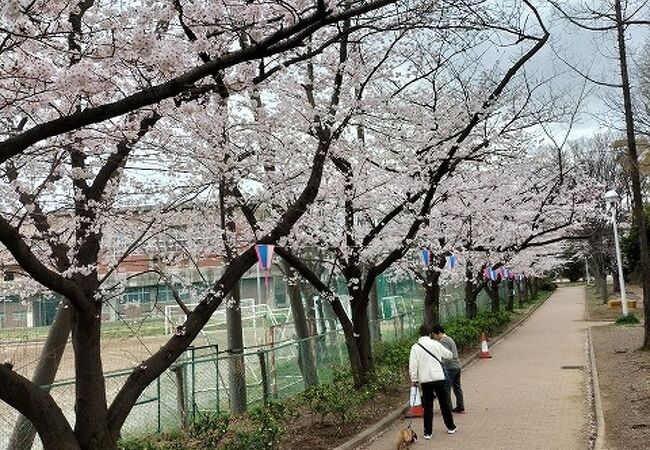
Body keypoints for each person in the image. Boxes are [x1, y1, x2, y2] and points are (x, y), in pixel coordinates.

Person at [409, 324, 457, 439]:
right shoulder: (436, 344)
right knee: (444, 403)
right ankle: (450, 427)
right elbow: (449, 355)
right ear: (430, 334)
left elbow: (413, 365)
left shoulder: (415, 347)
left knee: (428, 406)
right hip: (438, 378)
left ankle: (427, 432)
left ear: (419, 334)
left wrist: (414, 379)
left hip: (425, 380)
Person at [432, 324, 465, 414]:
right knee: (457, 387)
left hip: (450, 367)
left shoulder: (444, 341)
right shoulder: (450, 339)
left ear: (438, 333)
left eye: (434, 335)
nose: (435, 337)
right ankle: (460, 406)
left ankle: (448, 408)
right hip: (457, 366)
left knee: (446, 388)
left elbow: (446, 356)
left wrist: (442, 367)